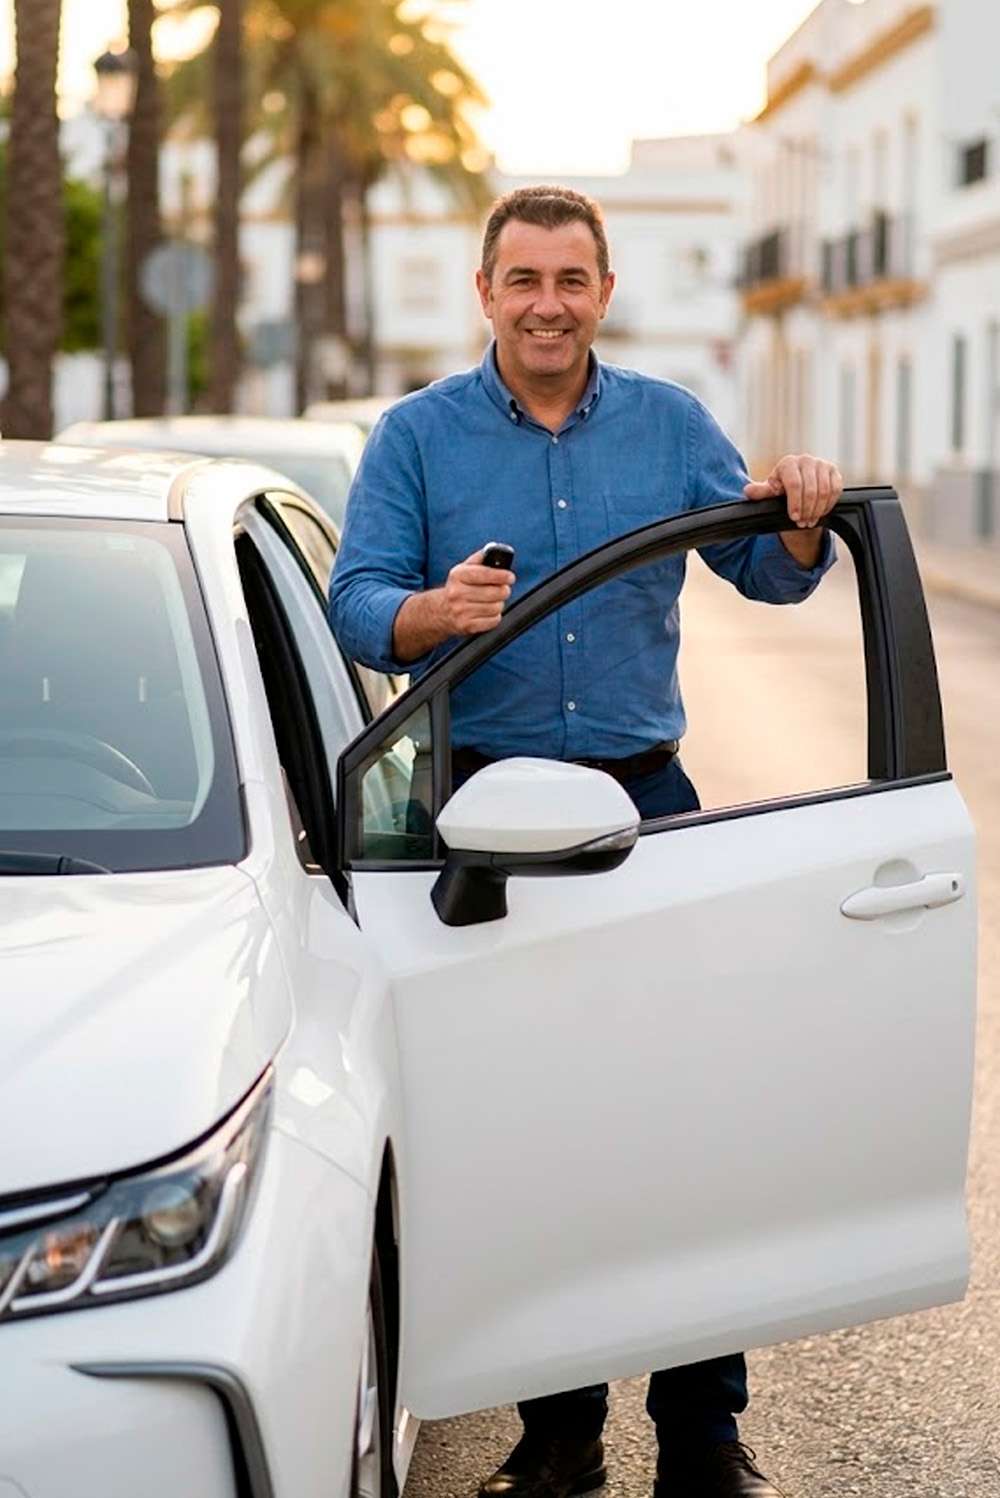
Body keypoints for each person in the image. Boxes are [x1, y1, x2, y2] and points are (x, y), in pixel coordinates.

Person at [329, 185, 842, 1498]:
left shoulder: (671, 426)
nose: (546, 302)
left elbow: (772, 574)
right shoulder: (418, 438)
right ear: (484, 292)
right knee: (526, 1132)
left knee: (687, 1130)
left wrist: (794, 509)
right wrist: (432, 612)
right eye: (522, 279)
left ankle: (701, 1432)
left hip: (644, 811)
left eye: (571, 278)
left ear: (603, 291)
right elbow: (355, 603)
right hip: (487, 818)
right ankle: (560, 1435)